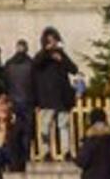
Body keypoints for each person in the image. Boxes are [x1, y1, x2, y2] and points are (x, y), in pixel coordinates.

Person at [36, 28, 83, 164]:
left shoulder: (61, 55)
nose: (52, 44)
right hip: (46, 98)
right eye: (49, 41)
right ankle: (46, 151)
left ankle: (66, 150)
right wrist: (46, 52)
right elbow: (36, 65)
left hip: (62, 97)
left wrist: (62, 59)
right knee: (45, 126)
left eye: (54, 40)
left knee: (63, 125)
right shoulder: (41, 56)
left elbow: (73, 69)